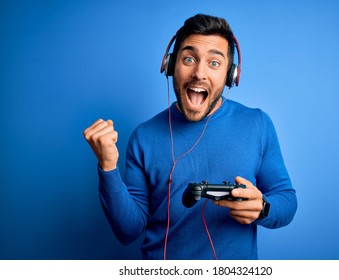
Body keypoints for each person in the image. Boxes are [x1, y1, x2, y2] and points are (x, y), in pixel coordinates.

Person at [83, 14, 297, 260]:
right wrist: (108, 167)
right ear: (171, 65)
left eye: (214, 63)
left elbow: (286, 200)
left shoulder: (258, 124)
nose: (199, 73)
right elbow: (128, 231)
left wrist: (263, 208)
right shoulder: (144, 136)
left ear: (230, 75)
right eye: (188, 59)